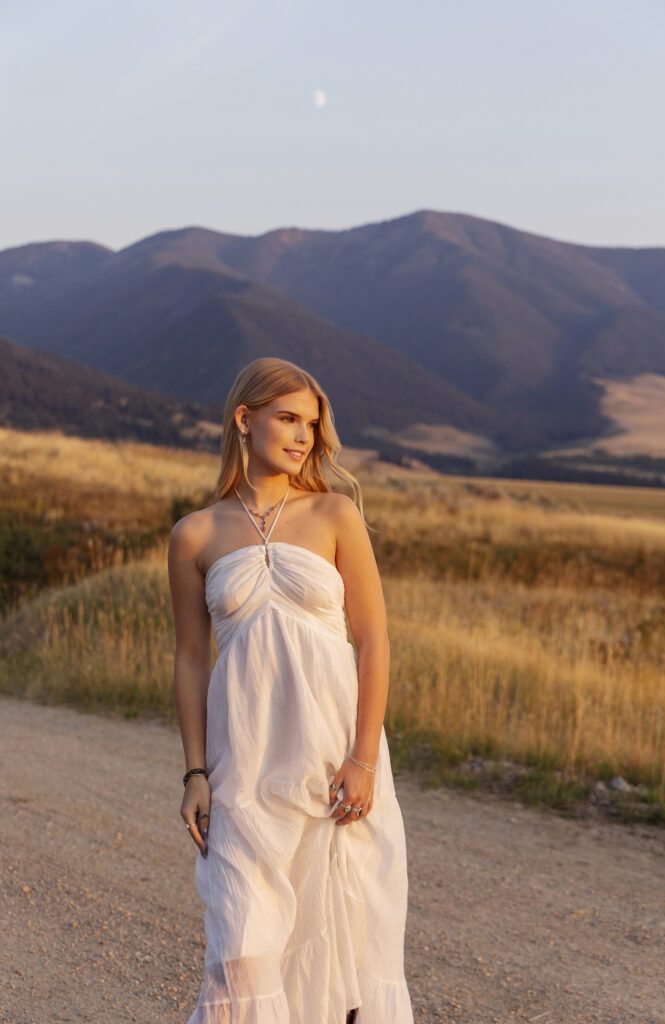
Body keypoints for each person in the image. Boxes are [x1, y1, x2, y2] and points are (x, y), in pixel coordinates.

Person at [168, 356, 413, 1023]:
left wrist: (363, 759)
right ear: (244, 420)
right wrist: (195, 771)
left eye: (311, 423)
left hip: (334, 760)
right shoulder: (194, 533)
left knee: (343, 941)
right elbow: (191, 660)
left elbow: (373, 641)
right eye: (287, 418)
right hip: (241, 764)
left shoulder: (335, 514)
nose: (303, 436)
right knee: (243, 943)